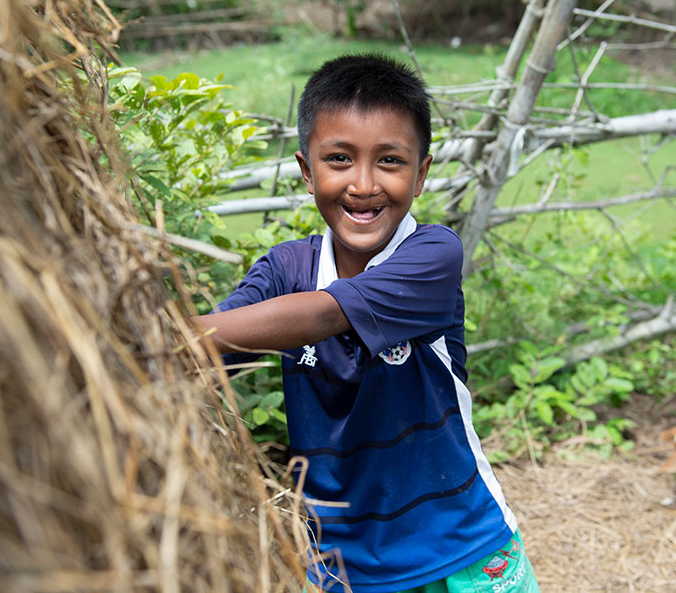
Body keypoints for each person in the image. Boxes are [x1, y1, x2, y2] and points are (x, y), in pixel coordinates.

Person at [195, 53, 539, 593]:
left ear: (421, 173)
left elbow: (325, 313)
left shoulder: (433, 254)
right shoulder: (285, 269)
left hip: (460, 551)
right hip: (338, 567)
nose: (363, 184)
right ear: (307, 172)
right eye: (338, 158)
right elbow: (216, 338)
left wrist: (179, 333)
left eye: (389, 161)